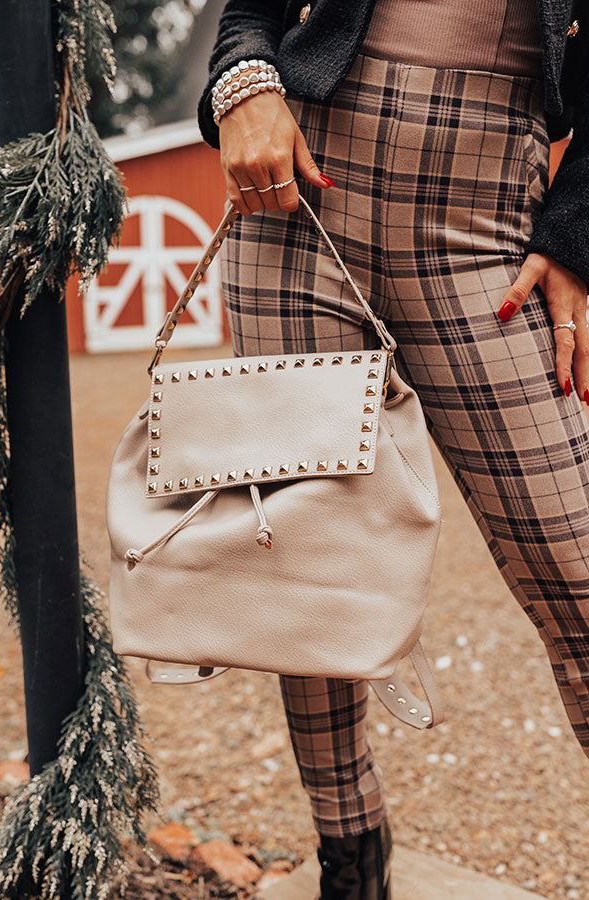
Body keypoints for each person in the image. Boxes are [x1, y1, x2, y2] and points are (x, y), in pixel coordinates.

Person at [196, 2, 589, 897]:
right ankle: (350, 850)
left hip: (488, 232)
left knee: (577, 566)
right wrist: (243, 86)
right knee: (309, 571)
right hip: (295, 206)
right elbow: (250, 12)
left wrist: (577, 237)